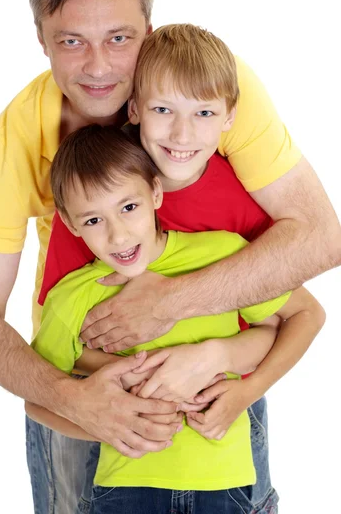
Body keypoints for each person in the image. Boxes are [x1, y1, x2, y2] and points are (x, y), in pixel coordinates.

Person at [0, 0, 339, 514]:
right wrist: (75, 399)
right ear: (41, 42)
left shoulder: (210, 88)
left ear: (150, 30)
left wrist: (192, 328)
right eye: (71, 42)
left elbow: (319, 238)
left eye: (119, 38)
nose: (100, 66)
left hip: (217, 368)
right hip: (80, 377)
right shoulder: (14, 142)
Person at [26, 123, 324, 514]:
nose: (117, 236)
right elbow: (37, 400)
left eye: (128, 207)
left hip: (225, 481)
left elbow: (302, 317)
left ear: (154, 193)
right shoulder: (73, 296)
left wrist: (246, 393)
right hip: (125, 488)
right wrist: (106, 427)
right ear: (69, 223)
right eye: (94, 220)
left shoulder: (223, 255)